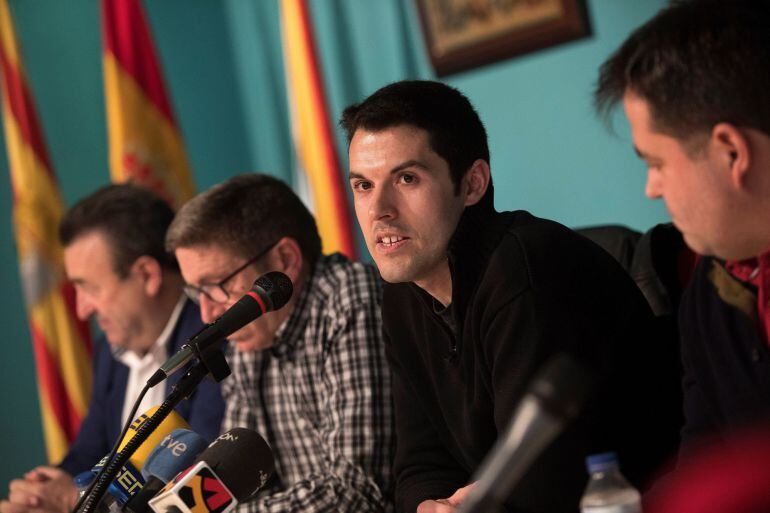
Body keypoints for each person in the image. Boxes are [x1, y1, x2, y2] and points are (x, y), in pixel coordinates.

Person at [341, 80, 681, 513]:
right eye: (363, 186)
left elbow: (544, 480)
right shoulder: (402, 295)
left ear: (473, 183)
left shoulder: (525, 271)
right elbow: (417, 464)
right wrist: (429, 506)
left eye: (407, 178)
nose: (379, 210)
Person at [594, 0, 770, 458]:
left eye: (656, 163)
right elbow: (703, 466)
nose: (651, 188)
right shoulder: (710, 290)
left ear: (731, 152)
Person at [165, 173, 393, 513]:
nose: (207, 312)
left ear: (284, 260)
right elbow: (233, 482)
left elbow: (357, 492)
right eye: (196, 292)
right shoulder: (252, 335)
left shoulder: (350, 303)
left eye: (216, 286)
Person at [0, 184, 225, 513]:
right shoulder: (109, 352)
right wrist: (42, 492)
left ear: (147, 275)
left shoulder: (217, 343)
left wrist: (74, 498)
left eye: (88, 288)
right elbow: (87, 454)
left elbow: (197, 486)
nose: (81, 311)